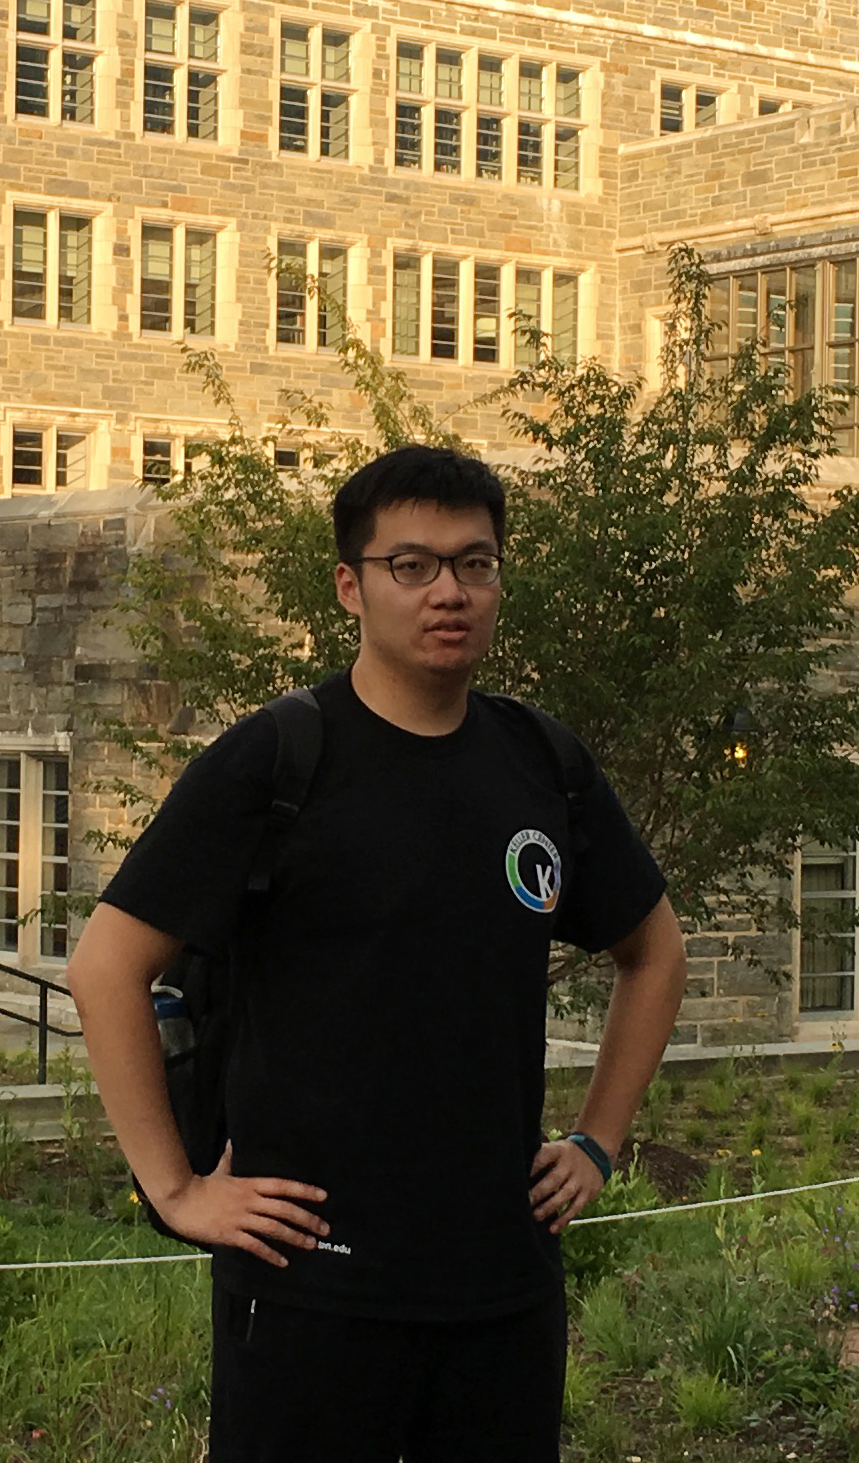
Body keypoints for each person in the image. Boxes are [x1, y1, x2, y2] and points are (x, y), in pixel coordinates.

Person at [70, 445, 687, 1463]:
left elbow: (654, 950)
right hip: (312, 1282)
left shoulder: (542, 763)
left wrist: (594, 1144)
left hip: (500, 1284)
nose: (450, 590)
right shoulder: (277, 758)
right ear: (351, 587)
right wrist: (177, 1190)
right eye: (414, 565)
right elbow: (105, 967)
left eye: (475, 563)